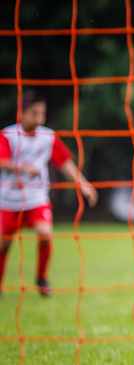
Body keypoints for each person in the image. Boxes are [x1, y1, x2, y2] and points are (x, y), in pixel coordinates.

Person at [0, 91, 98, 297]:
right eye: (34, 114)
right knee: (4, 244)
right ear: (22, 113)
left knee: (45, 233)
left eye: (42, 114)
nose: (39, 119)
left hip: (36, 198)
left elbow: (64, 162)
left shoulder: (47, 137)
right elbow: (2, 161)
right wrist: (23, 168)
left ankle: (42, 279)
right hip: (9, 199)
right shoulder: (8, 135)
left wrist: (84, 185)